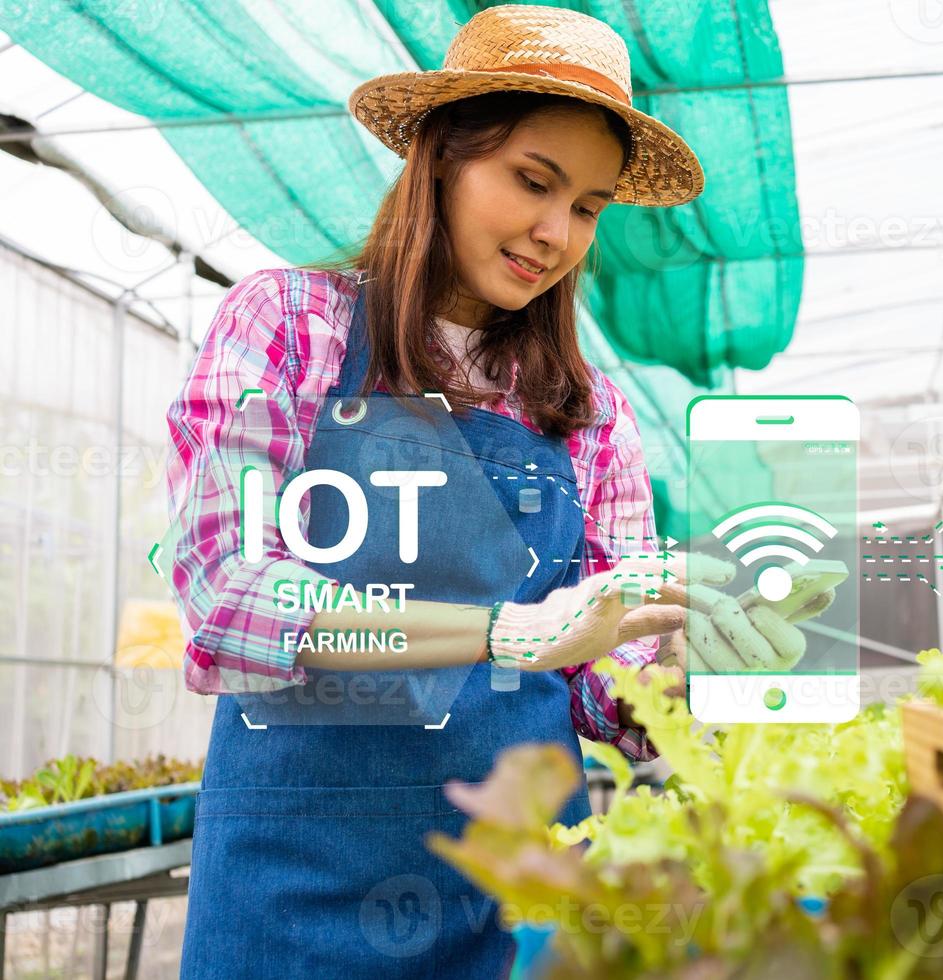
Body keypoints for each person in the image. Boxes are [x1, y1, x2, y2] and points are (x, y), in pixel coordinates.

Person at [167, 7, 810, 975]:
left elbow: (602, 682)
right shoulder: (288, 327)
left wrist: (687, 652)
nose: (556, 233)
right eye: (532, 181)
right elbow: (228, 597)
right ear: (439, 157)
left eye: (588, 206)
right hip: (288, 900)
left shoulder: (589, 419)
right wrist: (504, 630)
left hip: (513, 917)